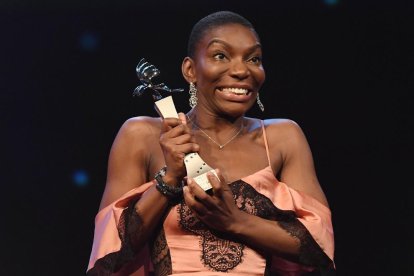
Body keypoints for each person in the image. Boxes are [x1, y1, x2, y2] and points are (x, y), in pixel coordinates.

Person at [86, 11, 335, 276]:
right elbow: (109, 254)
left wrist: (235, 221)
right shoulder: (142, 135)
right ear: (190, 70)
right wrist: (169, 178)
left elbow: (318, 247)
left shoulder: (283, 138)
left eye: (254, 59)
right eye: (221, 56)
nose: (241, 70)